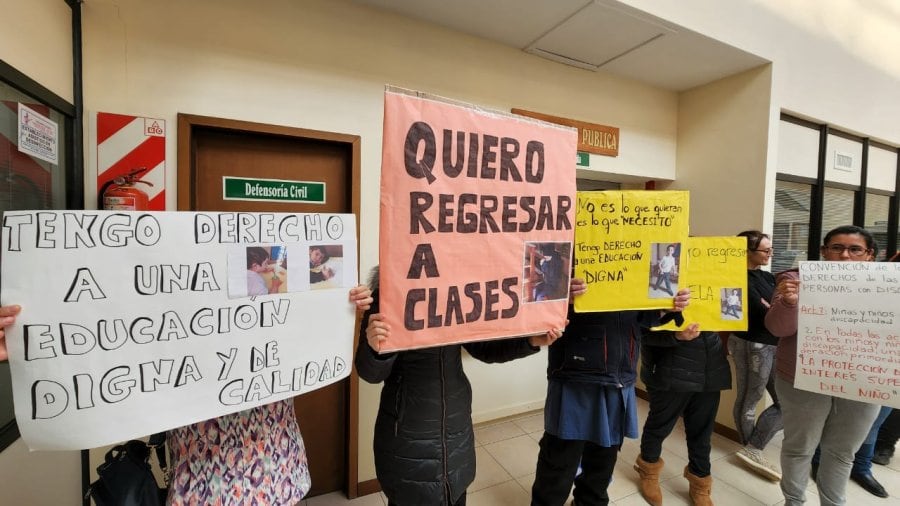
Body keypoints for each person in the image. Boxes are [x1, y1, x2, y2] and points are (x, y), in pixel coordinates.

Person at [357, 267, 563, 506]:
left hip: (457, 432)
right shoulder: (386, 295)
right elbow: (370, 373)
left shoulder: (458, 289)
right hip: (407, 436)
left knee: (455, 495)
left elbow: (483, 348)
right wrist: (375, 348)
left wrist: (530, 341)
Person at [166, 284, 373, 505]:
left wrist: (342, 305)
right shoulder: (179, 281)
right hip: (203, 466)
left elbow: (304, 323)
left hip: (274, 452)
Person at [531, 280, 691, 506]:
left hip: (619, 376)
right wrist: (561, 295)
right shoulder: (566, 250)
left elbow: (643, 319)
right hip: (575, 375)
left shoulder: (636, 255)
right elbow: (534, 305)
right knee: (560, 460)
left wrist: (667, 307)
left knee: (603, 461)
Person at [765, 225, 883, 506]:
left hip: (864, 381)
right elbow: (776, 329)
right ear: (823, 252)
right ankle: (794, 501)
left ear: (869, 255)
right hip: (802, 378)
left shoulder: (888, 287)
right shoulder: (794, 281)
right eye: (836, 248)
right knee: (799, 447)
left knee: (842, 451)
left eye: (855, 249)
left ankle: (834, 503)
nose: (845, 255)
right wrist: (790, 302)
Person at [635, 322, 731, 506]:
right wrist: (676, 336)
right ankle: (648, 468)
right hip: (670, 366)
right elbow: (639, 331)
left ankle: (700, 482)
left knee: (702, 431)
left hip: (710, 367)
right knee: (660, 425)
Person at [729, 230, 783, 481]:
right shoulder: (735, 277)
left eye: (770, 249)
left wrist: (773, 306)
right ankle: (749, 447)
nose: (770, 254)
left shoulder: (768, 276)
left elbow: (776, 308)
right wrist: (772, 307)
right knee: (751, 396)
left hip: (774, 343)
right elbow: (761, 311)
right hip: (752, 344)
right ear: (746, 251)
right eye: (765, 250)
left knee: (785, 401)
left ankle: (753, 447)